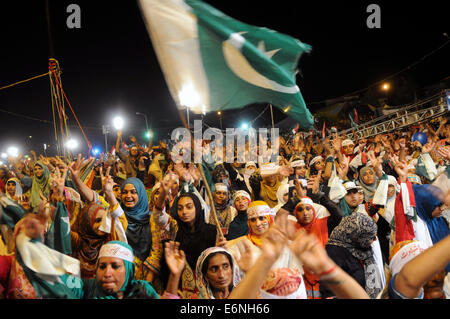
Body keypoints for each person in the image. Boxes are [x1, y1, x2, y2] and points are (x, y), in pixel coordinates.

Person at [153, 178, 220, 299]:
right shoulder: (174, 227)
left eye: (189, 207)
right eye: (180, 208)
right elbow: (158, 215)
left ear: (197, 208)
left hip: (208, 291)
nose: (184, 212)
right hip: (181, 291)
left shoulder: (211, 231)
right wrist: (163, 192)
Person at [322, 212, 384, 298]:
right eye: (371, 237)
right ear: (358, 235)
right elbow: (329, 291)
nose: (375, 240)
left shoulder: (361, 247)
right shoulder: (334, 253)